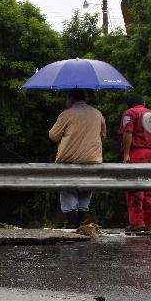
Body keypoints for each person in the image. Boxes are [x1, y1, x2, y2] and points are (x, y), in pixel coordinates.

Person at [49, 88, 106, 228]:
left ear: (71, 99)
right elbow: (103, 135)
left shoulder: (66, 114)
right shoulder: (98, 114)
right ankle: (79, 223)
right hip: (92, 160)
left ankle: (71, 223)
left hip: (69, 160)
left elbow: (53, 135)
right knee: (86, 190)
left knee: (68, 190)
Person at [119, 93, 151, 231]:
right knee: (148, 191)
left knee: (134, 189)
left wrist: (126, 154)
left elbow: (128, 133)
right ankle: (147, 223)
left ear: (129, 104)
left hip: (136, 153)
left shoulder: (130, 113)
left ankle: (137, 223)